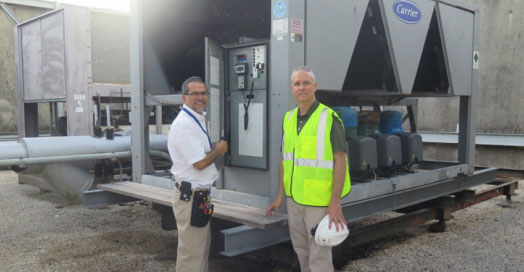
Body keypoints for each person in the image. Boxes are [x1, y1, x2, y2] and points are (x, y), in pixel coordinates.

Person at [266, 66, 351, 272]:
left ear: (315, 86)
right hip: (294, 201)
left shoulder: (328, 118)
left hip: (319, 203)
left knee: (319, 258)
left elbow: (341, 161)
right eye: (297, 84)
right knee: (302, 252)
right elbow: (285, 161)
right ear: (291, 88)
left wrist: (335, 202)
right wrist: (280, 197)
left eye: (306, 83)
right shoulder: (288, 119)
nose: (301, 87)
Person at [167, 76, 228, 272]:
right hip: (191, 197)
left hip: (199, 196)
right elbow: (200, 163)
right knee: (191, 256)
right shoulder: (185, 124)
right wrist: (218, 151)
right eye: (195, 94)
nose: (200, 97)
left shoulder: (196, 119)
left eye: (203, 93)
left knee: (200, 251)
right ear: (184, 97)